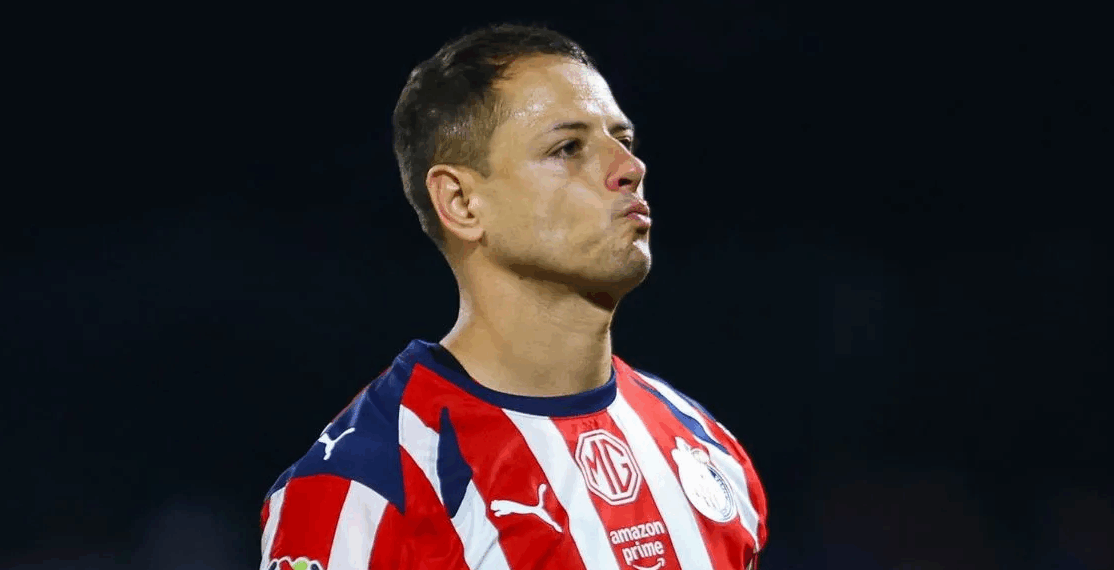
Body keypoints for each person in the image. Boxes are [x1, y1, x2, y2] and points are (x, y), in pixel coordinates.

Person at [259, 23, 768, 570]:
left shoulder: (706, 450)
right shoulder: (365, 491)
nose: (630, 168)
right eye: (568, 148)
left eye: (623, 141)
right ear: (461, 202)